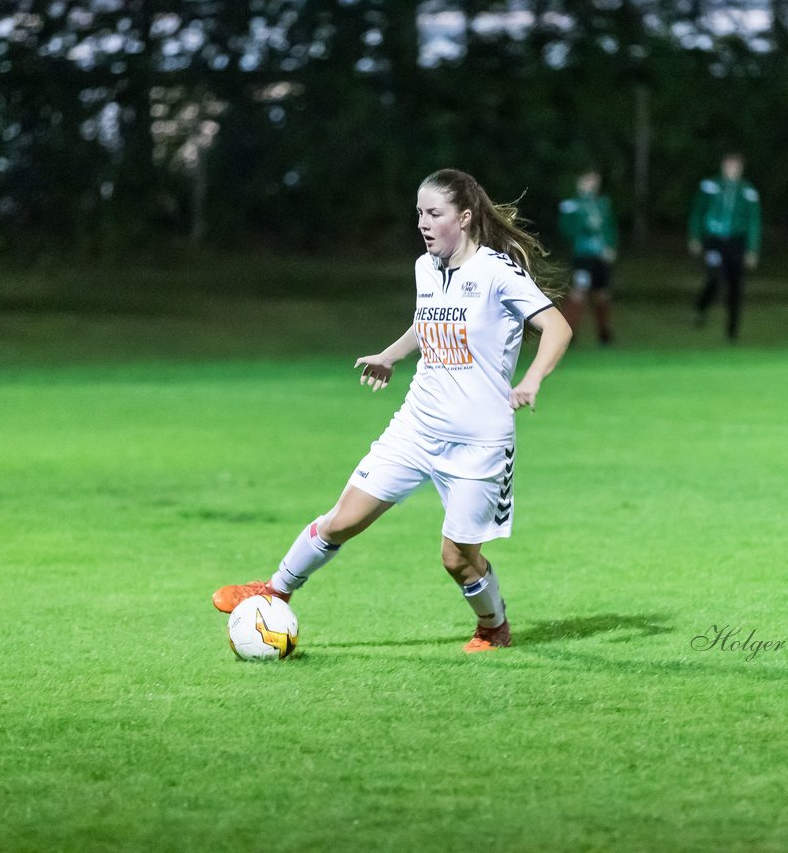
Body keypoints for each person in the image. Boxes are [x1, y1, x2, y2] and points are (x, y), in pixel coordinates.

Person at [212, 168, 573, 653]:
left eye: (434, 213)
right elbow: (427, 322)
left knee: (457, 558)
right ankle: (274, 590)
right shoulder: (427, 267)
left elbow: (557, 328)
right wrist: (391, 355)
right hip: (417, 426)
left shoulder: (496, 272)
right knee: (342, 519)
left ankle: (493, 626)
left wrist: (531, 379)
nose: (423, 223)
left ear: (464, 218)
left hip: (478, 442)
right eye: (419, 213)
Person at [687, 152, 762, 341]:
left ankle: (732, 330)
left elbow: (754, 221)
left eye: (736, 166)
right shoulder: (710, 186)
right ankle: (701, 308)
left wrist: (752, 250)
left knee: (736, 285)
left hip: (736, 242)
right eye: (729, 165)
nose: (732, 169)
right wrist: (695, 236)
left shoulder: (748, 191)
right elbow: (698, 211)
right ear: (723, 166)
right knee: (715, 277)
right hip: (715, 240)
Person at [558, 169, 618, 345]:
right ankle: (567, 334)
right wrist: (581, 228)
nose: (592, 184)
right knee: (579, 292)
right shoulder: (572, 204)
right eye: (588, 181)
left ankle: (604, 333)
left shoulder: (602, 204)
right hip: (583, 256)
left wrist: (610, 246)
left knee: (602, 295)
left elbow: (610, 227)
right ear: (580, 182)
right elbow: (566, 228)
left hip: (600, 256)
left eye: (595, 181)